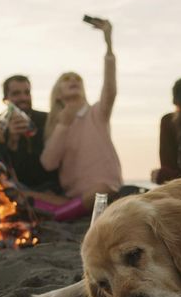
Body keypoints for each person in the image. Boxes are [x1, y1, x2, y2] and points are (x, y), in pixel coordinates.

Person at [36, 17, 121, 222]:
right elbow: (48, 163)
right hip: (75, 196)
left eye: (77, 79)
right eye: (66, 79)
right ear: (57, 94)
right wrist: (63, 125)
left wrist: (108, 42)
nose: (73, 80)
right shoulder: (56, 124)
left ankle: (59, 214)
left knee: (101, 190)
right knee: (25, 194)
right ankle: (65, 209)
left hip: (105, 190)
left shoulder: (97, 113)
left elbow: (110, 88)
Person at [0, 75, 61, 194]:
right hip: (14, 192)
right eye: (16, 94)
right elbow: (0, 170)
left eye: (27, 92)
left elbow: (50, 163)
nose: (23, 98)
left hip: (50, 187)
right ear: (6, 99)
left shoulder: (47, 120)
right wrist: (12, 142)